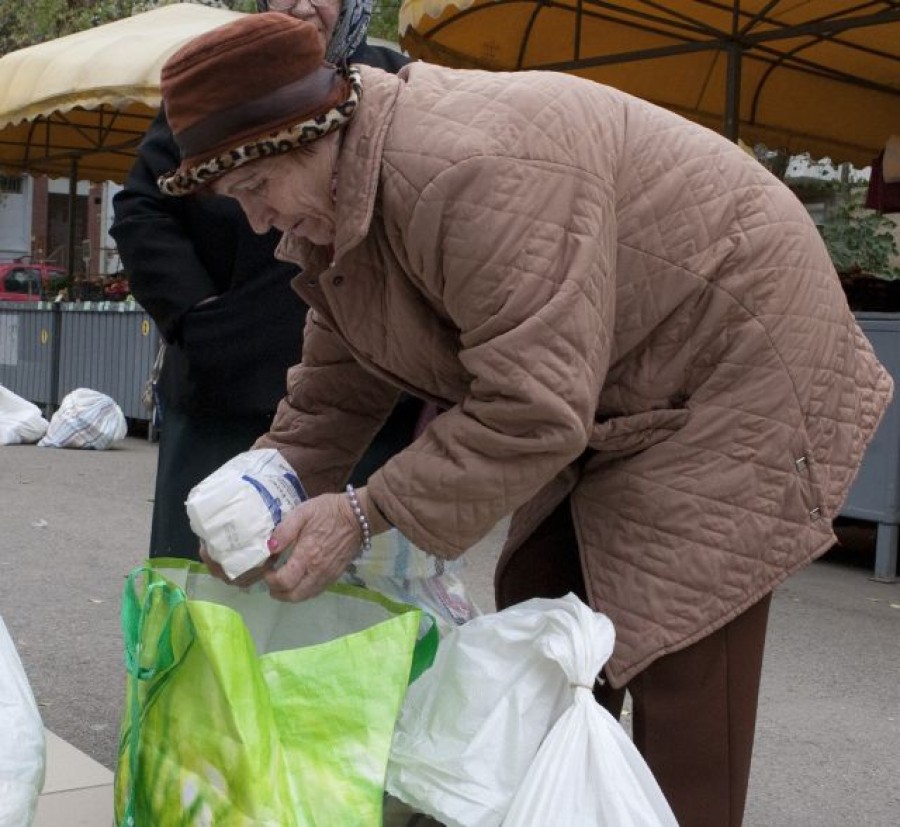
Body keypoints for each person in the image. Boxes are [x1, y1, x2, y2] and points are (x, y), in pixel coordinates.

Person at [156, 13, 893, 826]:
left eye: (257, 192)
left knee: (677, 641)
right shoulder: (341, 196)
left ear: (310, 137)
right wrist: (273, 485)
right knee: (544, 613)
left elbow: (536, 407)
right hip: (617, 373)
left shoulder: (469, 170)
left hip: (734, 359)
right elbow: (338, 382)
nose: (259, 223)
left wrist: (364, 514)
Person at [109, 0, 423, 560]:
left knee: (352, 589)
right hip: (228, 389)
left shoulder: (391, 82)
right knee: (212, 578)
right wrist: (200, 316)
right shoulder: (224, 86)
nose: (302, 4)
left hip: (371, 400)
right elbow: (142, 208)